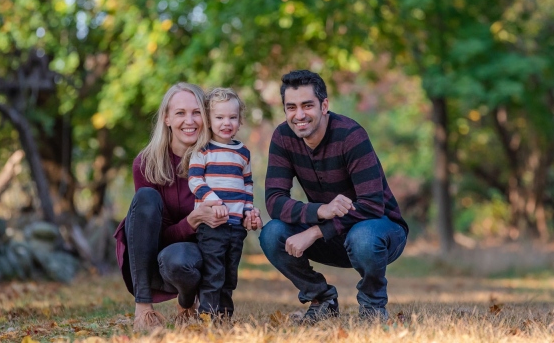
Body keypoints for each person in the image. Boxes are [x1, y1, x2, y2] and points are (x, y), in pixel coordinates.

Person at [259, 70, 409, 324]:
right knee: (272, 233)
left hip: (380, 232)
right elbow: (274, 200)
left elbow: (372, 205)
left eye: (308, 105)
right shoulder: (283, 137)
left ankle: (373, 308)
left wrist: (315, 231)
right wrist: (319, 211)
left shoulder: (350, 136)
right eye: (291, 107)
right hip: (335, 237)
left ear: (324, 105)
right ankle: (322, 299)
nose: (299, 115)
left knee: (362, 236)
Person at [113, 83, 261, 330]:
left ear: (206, 117)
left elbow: (240, 192)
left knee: (182, 258)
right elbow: (148, 235)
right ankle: (143, 308)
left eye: (196, 113)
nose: (189, 121)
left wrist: (247, 212)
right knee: (146, 200)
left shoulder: (217, 158)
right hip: (157, 257)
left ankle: (190, 302)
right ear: (167, 118)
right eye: (180, 113)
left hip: (200, 254)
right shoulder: (145, 163)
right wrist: (193, 221)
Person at [187, 87, 260, 319]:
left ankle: (225, 316)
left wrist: (249, 212)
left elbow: (247, 186)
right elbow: (195, 180)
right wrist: (214, 201)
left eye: (232, 117)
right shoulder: (203, 150)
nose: (226, 123)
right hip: (212, 225)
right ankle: (207, 315)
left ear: (240, 121)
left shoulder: (243, 153)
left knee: (230, 273)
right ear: (208, 120)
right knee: (213, 271)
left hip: (236, 227)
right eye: (219, 117)